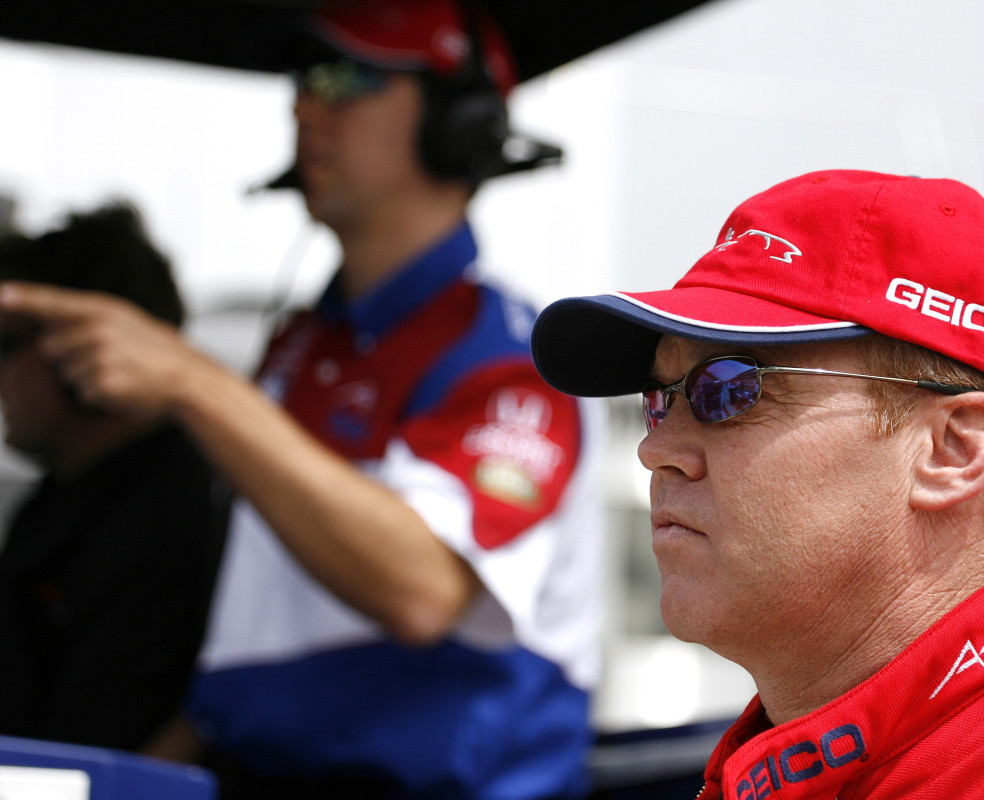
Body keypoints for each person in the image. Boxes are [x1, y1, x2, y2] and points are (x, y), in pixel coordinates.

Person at [0, 1, 604, 798]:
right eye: (301, 81)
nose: (304, 106)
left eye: (346, 77)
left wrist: (190, 380)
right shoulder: (302, 350)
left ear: (456, 122)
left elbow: (422, 591)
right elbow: (251, 663)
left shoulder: (513, 358)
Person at [530, 169, 984, 799]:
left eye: (730, 388)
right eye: (660, 396)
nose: (657, 448)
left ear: (953, 450)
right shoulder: (775, 767)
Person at [0, 203, 227, 752]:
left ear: (82, 352)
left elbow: (96, 751)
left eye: (5, 346)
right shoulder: (62, 497)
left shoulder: (168, 521)